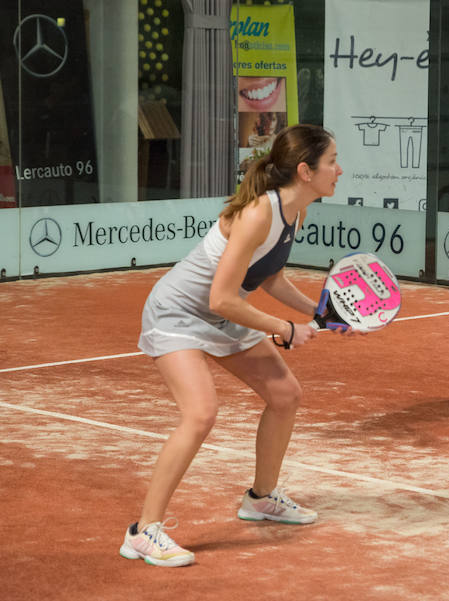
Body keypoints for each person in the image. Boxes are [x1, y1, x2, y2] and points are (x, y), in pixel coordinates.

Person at [119, 124, 343, 567]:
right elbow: (218, 296)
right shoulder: (259, 213)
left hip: (224, 314)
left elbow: (270, 276)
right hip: (178, 314)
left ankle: (261, 499)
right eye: (332, 161)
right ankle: (143, 532)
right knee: (200, 413)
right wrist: (285, 328)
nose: (339, 170)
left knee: (285, 395)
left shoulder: (295, 210)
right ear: (305, 170)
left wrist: (322, 313)